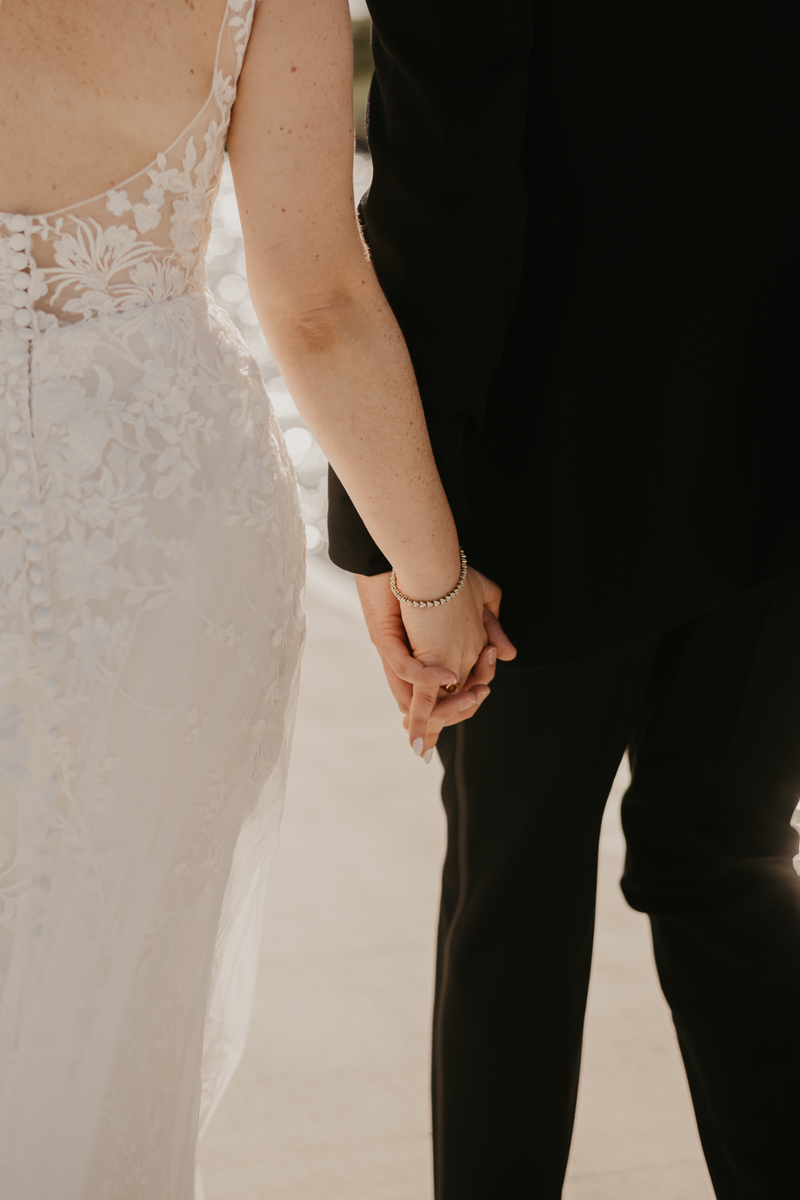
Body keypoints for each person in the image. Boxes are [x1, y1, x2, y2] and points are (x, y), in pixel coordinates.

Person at [0, 2, 502, 1196]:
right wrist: (432, 588)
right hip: (158, 526)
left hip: (155, 530)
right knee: (112, 995)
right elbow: (317, 301)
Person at [328, 1, 800, 1196]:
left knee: (515, 896)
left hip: (550, 478)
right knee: (722, 860)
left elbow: (444, 187)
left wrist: (401, 536)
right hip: (770, 437)